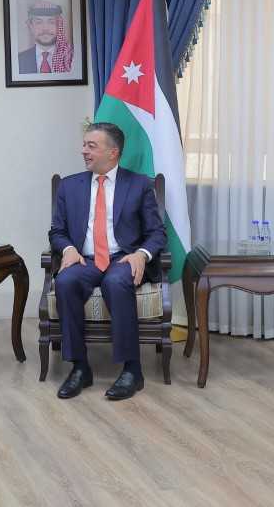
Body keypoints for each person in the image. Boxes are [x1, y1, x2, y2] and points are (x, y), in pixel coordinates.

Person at [48, 123, 167, 401]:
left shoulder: (138, 185)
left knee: (116, 282)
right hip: (85, 259)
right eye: (84, 145)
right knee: (65, 281)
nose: (83, 151)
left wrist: (141, 254)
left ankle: (132, 370)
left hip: (122, 258)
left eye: (91, 146)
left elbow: (157, 233)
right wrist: (67, 249)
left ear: (113, 152)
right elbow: (57, 231)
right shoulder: (69, 186)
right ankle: (80, 367)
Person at [17, 0, 72, 75]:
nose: (45, 28)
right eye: (39, 22)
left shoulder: (70, 58)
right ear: (31, 26)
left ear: (59, 25)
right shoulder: (18, 60)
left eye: (51, 22)